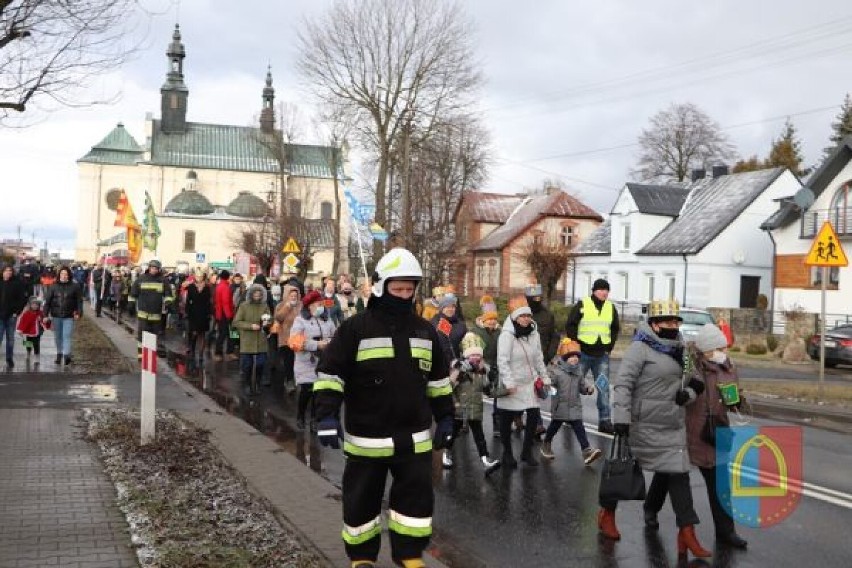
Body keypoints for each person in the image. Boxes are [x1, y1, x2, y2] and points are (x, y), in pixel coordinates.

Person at [313, 248, 454, 568]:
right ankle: (362, 558)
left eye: (409, 289)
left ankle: (409, 556)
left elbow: (439, 381)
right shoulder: (355, 329)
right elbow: (330, 374)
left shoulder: (424, 330)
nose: (404, 296)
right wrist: (326, 415)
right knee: (361, 501)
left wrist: (446, 417)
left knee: (415, 505)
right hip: (367, 438)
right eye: (397, 289)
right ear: (380, 287)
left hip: (414, 439)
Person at [598, 299, 711, 559]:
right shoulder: (640, 349)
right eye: (667, 322)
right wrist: (622, 418)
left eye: (676, 321)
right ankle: (606, 513)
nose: (673, 326)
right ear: (654, 325)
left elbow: (694, 380)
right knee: (621, 470)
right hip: (641, 423)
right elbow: (624, 383)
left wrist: (690, 394)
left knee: (679, 474)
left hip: (671, 423)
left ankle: (687, 532)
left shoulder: (682, 349)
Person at [682, 324, 748, 549]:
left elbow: (735, 396)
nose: (724, 352)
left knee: (721, 486)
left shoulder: (728, 367)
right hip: (693, 432)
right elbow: (682, 396)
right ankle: (651, 508)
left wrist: (738, 402)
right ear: (706, 350)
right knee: (669, 477)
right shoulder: (692, 368)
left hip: (717, 432)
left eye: (725, 347)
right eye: (719, 348)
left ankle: (726, 532)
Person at [496, 296, 551, 468]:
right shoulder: (507, 335)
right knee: (506, 418)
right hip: (512, 382)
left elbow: (538, 358)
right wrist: (509, 383)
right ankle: (507, 453)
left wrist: (544, 377)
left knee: (534, 415)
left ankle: (526, 452)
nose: (526, 318)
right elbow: (502, 360)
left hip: (529, 382)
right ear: (515, 317)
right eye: (522, 316)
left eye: (528, 315)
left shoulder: (534, 333)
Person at [565, 278, 620, 434]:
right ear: (594, 291)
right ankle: (571, 416)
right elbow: (570, 324)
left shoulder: (611, 307)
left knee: (603, 388)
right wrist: (575, 345)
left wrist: (610, 347)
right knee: (574, 385)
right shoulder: (583, 304)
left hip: (601, 355)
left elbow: (615, 328)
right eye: (601, 289)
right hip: (582, 353)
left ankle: (605, 421)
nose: (604, 292)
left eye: (606, 290)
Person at [441, 332, 501, 474]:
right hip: (459, 410)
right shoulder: (459, 369)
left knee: (479, 436)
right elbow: (448, 388)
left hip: (475, 410)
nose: (476, 357)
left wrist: (507, 391)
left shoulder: (482, 371)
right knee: (452, 434)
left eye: (478, 355)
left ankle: (485, 459)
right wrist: (454, 403)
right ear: (467, 355)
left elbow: (489, 391)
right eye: (472, 355)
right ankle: (446, 453)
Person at [540, 339, 602, 465]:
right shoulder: (556, 371)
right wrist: (547, 385)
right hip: (560, 406)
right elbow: (549, 385)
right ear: (565, 358)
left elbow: (582, 385)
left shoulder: (578, 371)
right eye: (571, 356)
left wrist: (588, 389)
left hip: (574, 406)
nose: (574, 359)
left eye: (576, 357)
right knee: (554, 427)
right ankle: (546, 444)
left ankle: (587, 452)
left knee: (579, 428)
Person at [288, 289, 337, 429]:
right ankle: (300, 416)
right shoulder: (300, 320)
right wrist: (316, 344)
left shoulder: (327, 320)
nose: (320, 306)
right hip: (306, 361)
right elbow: (294, 341)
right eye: (317, 304)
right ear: (309, 306)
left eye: (321, 303)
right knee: (307, 391)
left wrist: (330, 342)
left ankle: (315, 419)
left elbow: (335, 335)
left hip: (323, 361)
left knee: (319, 392)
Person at [128, 259, 174, 359]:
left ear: (159, 269)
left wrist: (168, 303)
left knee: (153, 337)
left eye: (156, 268)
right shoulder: (141, 279)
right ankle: (141, 356)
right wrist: (131, 304)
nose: (154, 270)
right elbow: (133, 293)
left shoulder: (163, 280)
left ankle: (150, 357)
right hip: (143, 314)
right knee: (141, 336)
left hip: (156, 315)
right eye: (153, 268)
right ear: (149, 268)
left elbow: (168, 294)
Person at [232, 283, 272, 395]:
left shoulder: (264, 306)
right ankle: (247, 384)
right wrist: (250, 326)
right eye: (255, 295)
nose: (257, 297)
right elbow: (236, 322)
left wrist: (267, 322)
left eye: (259, 295)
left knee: (260, 363)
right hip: (247, 340)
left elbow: (270, 320)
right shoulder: (244, 306)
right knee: (247, 365)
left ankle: (258, 384)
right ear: (251, 295)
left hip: (261, 339)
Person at [471, 296, 502, 437]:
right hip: (480, 367)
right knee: (475, 396)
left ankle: (497, 424)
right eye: (489, 319)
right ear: (483, 319)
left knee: (498, 396)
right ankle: (467, 422)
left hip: (496, 367)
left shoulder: (500, 332)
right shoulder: (476, 331)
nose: (492, 321)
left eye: (494, 319)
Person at [42, 266, 83, 366]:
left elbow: (79, 301)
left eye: (66, 274)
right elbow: (47, 302)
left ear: (69, 275)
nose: (64, 276)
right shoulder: (53, 286)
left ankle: (66, 355)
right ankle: (59, 353)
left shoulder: (75, 286)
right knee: (58, 336)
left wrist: (78, 312)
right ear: (59, 275)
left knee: (67, 336)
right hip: (56, 316)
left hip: (69, 316)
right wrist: (45, 315)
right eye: (62, 274)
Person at [273, 284, 301, 395]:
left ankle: (298, 380)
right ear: (286, 296)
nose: (294, 297)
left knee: (297, 361)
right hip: (285, 338)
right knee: (288, 361)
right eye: (291, 295)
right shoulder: (280, 305)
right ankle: (289, 381)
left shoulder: (301, 305)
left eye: (295, 295)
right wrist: (287, 307)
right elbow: (278, 318)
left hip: (298, 338)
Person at [0, 265, 28, 368]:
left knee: (10, 339)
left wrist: (17, 311)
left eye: (10, 271)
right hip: (0, 316)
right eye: (6, 271)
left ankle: (9, 358)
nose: (8, 273)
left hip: (11, 316)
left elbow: (22, 299)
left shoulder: (17, 284)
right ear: (2, 272)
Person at [185, 270, 213, 369]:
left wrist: (210, 313)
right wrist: (187, 312)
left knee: (202, 334)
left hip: (204, 314)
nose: (199, 278)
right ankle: (192, 350)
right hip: (194, 313)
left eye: (201, 276)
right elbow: (188, 300)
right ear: (195, 277)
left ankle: (201, 354)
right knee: (194, 334)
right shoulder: (191, 287)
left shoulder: (207, 287)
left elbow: (209, 301)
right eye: (197, 276)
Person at [430, 293, 467, 364]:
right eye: (447, 307)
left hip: (457, 363)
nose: (450, 309)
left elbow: (465, 344)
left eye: (453, 307)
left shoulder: (460, 324)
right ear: (441, 309)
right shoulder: (434, 322)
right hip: (439, 363)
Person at [213, 270, 237, 361]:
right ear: (227, 277)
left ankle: (219, 353)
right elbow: (226, 302)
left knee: (222, 334)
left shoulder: (219, 286)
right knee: (232, 333)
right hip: (226, 314)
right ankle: (228, 352)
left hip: (220, 313)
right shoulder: (226, 287)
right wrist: (229, 315)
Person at [16, 296, 45, 365]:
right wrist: (20, 330)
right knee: (28, 343)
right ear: (30, 305)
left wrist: (42, 320)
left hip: (37, 332)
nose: (35, 306)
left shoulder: (40, 313)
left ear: (39, 305)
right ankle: (28, 352)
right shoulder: (27, 313)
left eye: (36, 305)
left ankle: (36, 357)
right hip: (28, 332)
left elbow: (44, 321)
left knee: (36, 344)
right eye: (33, 304)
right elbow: (23, 322)